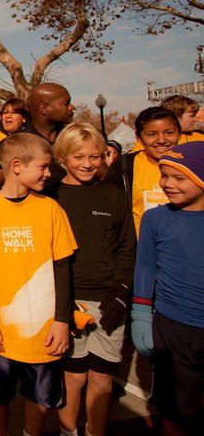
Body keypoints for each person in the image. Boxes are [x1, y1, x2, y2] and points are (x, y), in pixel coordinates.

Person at [0, 133, 76, 436]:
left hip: (45, 330)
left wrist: (62, 320)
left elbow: (63, 267)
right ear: (16, 166)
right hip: (0, 329)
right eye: (43, 167)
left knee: (40, 396)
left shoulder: (50, 209)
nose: (48, 173)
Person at [53, 124, 136, 436]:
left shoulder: (114, 195)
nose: (87, 163)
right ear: (62, 156)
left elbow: (128, 249)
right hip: (68, 302)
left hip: (108, 301)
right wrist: (61, 304)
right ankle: (67, 431)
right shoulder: (51, 196)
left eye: (95, 156)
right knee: (73, 377)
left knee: (102, 378)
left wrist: (120, 290)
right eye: (78, 157)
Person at [131, 141, 204, 435]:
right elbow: (145, 267)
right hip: (173, 328)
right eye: (164, 175)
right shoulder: (155, 218)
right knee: (175, 411)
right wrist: (140, 316)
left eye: (179, 177)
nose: (168, 184)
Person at [103, 107, 181, 236]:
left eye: (169, 133)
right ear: (138, 137)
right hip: (140, 251)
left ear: (179, 134)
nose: (161, 140)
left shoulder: (195, 165)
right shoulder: (124, 167)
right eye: (152, 134)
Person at [0, 84, 73, 194]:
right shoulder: (14, 144)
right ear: (44, 108)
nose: (72, 107)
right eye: (66, 103)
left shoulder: (73, 138)